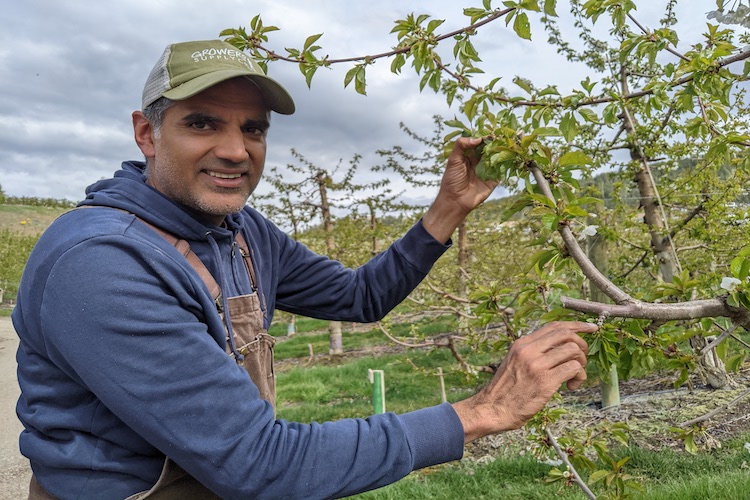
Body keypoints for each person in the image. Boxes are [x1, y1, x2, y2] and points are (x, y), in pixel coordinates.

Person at [13, 39, 596, 499]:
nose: (236, 150)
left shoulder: (241, 232)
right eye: (202, 123)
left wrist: (448, 210)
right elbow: (262, 464)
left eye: (254, 128)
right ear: (147, 132)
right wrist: (483, 412)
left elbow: (359, 297)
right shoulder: (103, 263)